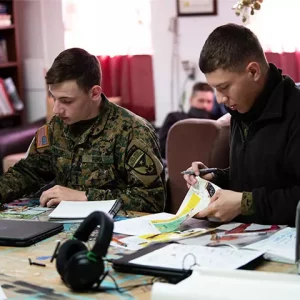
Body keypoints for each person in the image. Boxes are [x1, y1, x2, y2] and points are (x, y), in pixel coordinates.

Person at [0, 48, 166, 213]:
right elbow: (28, 171)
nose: (57, 109)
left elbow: (152, 200)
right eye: (53, 97)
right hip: (63, 225)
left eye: (66, 101)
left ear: (94, 93)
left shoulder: (133, 131)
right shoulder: (55, 127)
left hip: (115, 229)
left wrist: (85, 197)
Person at [184, 23, 300, 226]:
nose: (219, 99)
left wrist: (246, 204)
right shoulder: (241, 107)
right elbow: (260, 176)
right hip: (242, 236)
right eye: (215, 89)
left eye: (224, 87)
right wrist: (214, 176)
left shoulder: (295, 111)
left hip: (286, 241)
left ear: (253, 71)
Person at [159, 82, 214, 159]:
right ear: (191, 100)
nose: (205, 105)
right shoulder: (175, 118)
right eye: (201, 101)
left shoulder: (216, 122)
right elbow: (162, 148)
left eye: (209, 102)